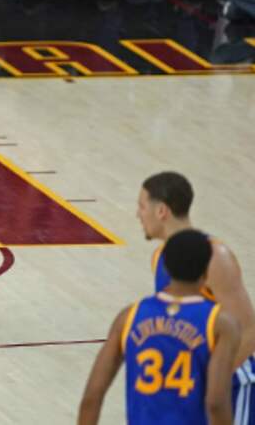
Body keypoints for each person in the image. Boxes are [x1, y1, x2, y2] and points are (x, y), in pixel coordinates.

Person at [78, 228, 239, 425]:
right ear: (206, 270)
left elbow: (92, 396)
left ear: (166, 268)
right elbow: (215, 402)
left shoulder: (129, 316)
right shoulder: (219, 323)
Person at [138, 171, 255, 423]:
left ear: (162, 211)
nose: (138, 214)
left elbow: (248, 331)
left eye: (142, 206)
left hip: (232, 384)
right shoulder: (161, 257)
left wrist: (212, 384)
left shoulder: (215, 256)